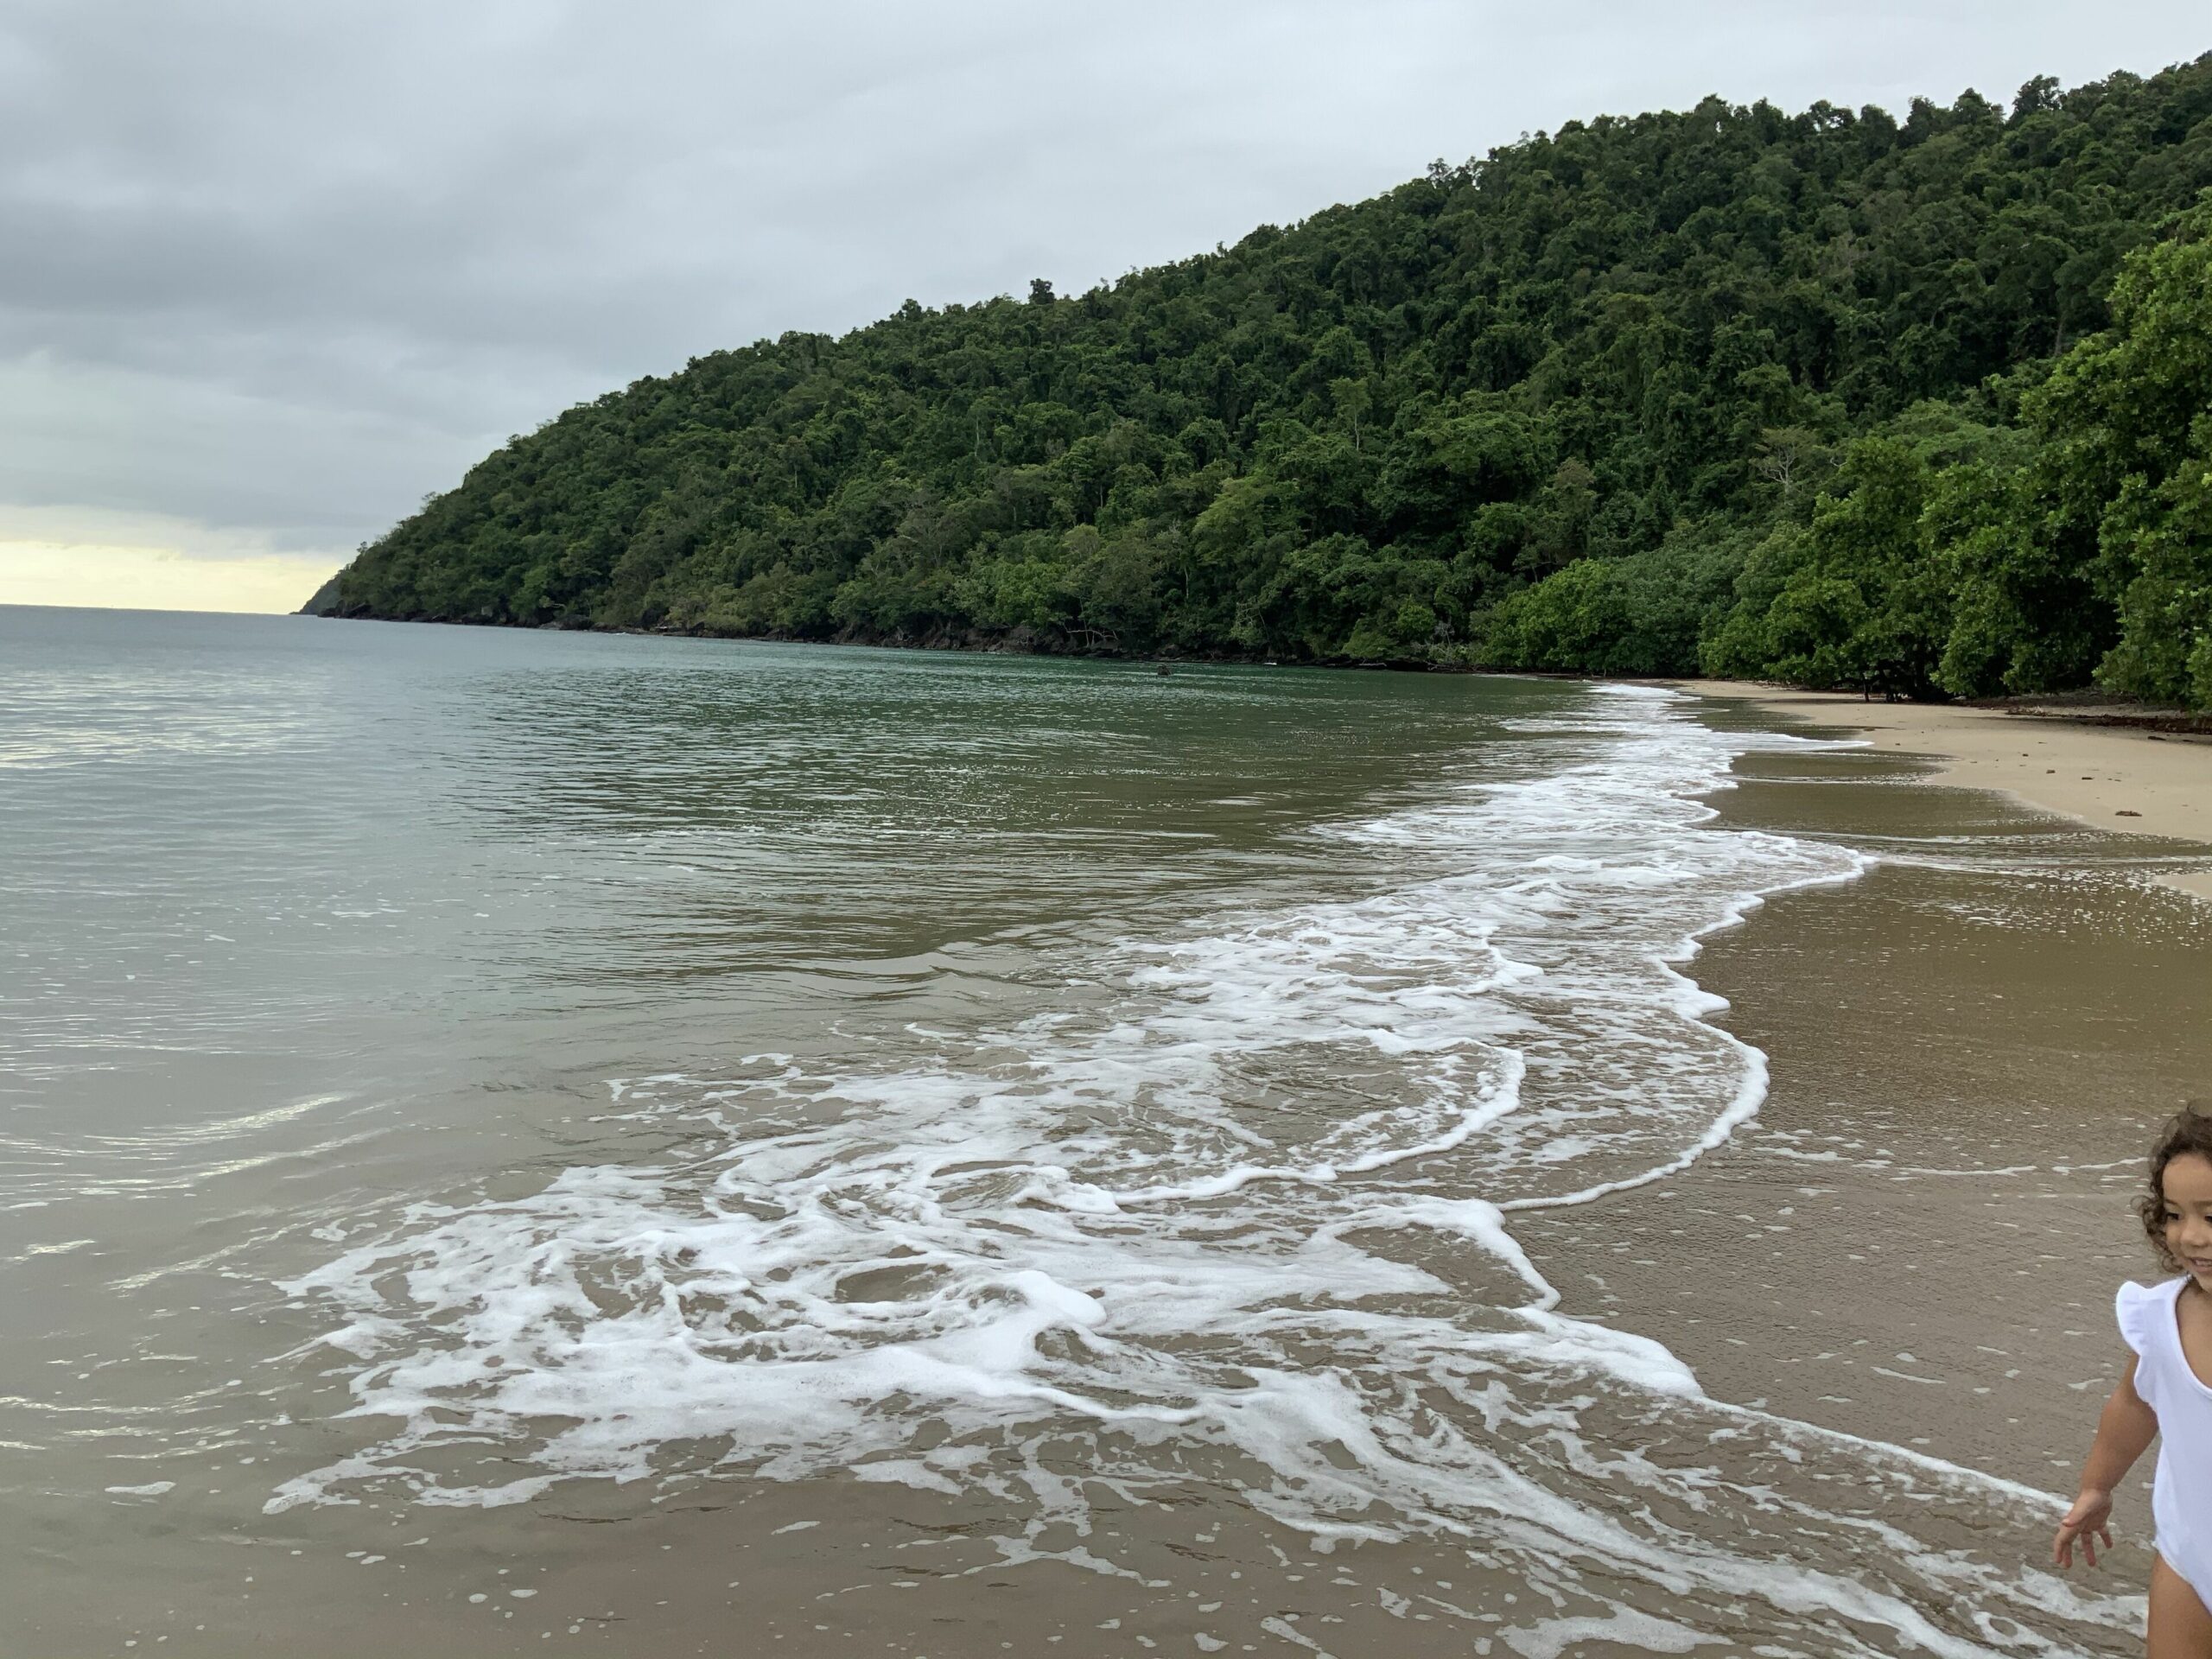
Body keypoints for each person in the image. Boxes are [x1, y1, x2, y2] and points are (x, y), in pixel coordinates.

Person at [2056, 1104, 2212, 1656]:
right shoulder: (2163, 1317)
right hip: (2190, 1559)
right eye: (2174, 1215)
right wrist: (2097, 1487)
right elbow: (2133, 1407)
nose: (2191, 1236)